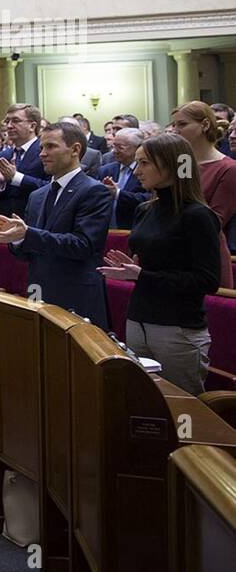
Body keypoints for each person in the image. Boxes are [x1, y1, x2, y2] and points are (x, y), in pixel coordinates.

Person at [98, 133, 224, 395]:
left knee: (182, 408)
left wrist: (142, 275)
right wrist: (131, 271)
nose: (137, 170)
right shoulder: (145, 209)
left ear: (171, 165)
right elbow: (146, 266)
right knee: (142, 402)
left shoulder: (198, 215)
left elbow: (208, 281)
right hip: (138, 319)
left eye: (144, 163)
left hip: (177, 327)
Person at [0, 121, 112, 329]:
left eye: (51, 146)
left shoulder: (94, 191)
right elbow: (26, 253)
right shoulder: (37, 195)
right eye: (41, 148)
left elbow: (83, 245)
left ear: (75, 149)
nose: (42, 154)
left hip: (76, 295)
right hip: (39, 292)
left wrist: (28, 234)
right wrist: (17, 239)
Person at [171, 100, 236, 255]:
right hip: (176, 244)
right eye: (174, 125)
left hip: (205, 251)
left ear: (205, 125)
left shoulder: (229, 168)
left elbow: (215, 220)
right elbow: (177, 200)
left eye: (182, 125)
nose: (176, 131)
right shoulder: (184, 162)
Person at [0, 103, 47, 217]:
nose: (9, 126)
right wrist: (0, 183)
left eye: (15, 121)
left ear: (32, 126)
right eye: (7, 121)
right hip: (3, 222)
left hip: (33, 221)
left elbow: (50, 187)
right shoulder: (2, 156)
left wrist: (16, 177)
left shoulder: (45, 152)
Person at [98, 126, 149, 229]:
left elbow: (148, 199)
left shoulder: (147, 170)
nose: (114, 151)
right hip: (106, 231)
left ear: (137, 147)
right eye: (113, 146)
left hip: (135, 228)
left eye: (120, 147)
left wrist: (118, 193)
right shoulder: (105, 170)